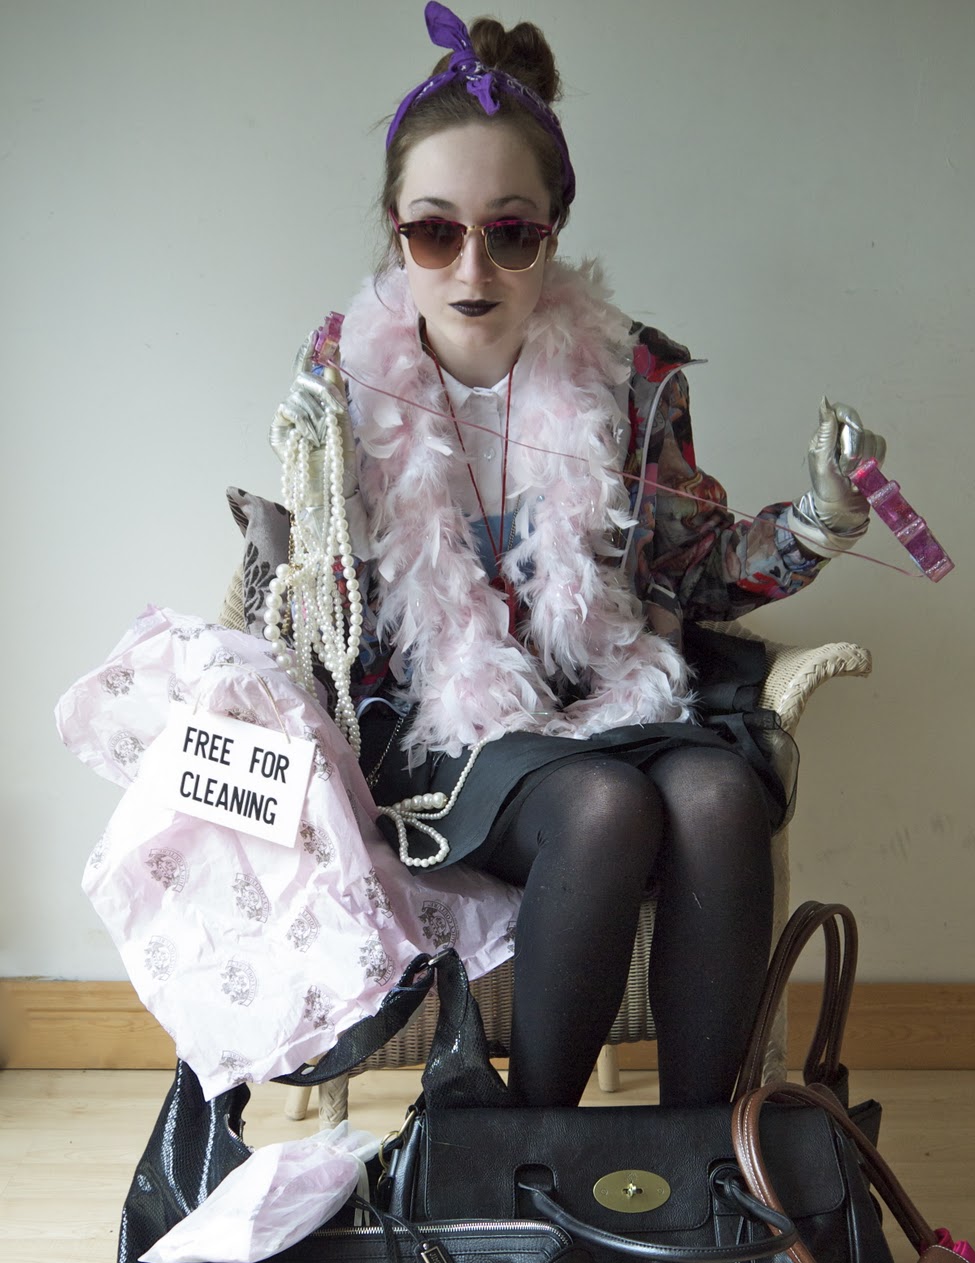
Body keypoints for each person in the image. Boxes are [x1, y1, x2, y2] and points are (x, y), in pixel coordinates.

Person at [257, 2, 886, 1109]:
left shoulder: (629, 376)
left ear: (552, 230)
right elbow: (320, 610)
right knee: (604, 806)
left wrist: (815, 524)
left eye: (510, 232)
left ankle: (700, 1157)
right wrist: (317, 498)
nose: (473, 266)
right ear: (397, 233)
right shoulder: (345, 383)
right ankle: (534, 1150)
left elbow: (693, 565)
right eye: (435, 233)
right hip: (442, 733)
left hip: (610, 697)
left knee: (718, 795)